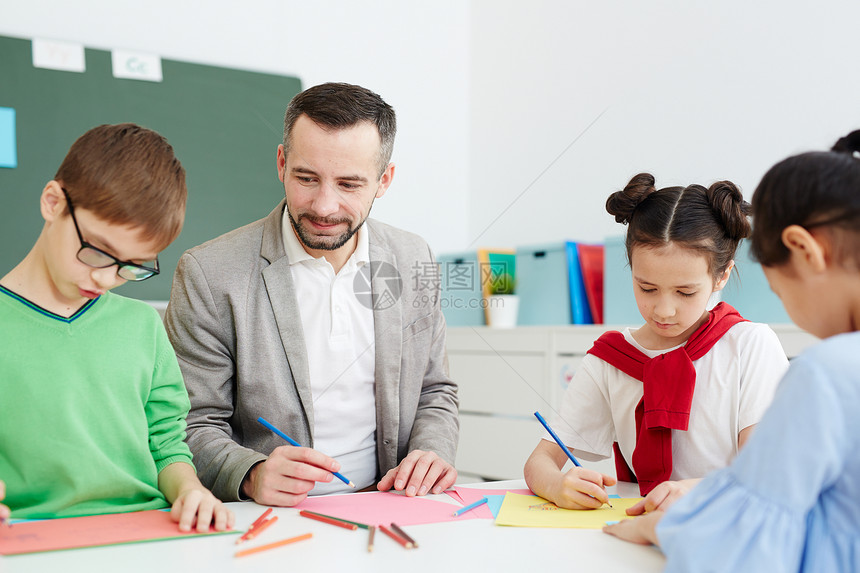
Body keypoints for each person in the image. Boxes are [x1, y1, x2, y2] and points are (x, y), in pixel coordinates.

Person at [164, 82, 459, 507]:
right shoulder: (209, 274)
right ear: (281, 163)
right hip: (269, 516)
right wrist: (250, 474)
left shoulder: (414, 257)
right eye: (307, 178)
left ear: (384, 181)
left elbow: (435, 391)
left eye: (349, 184)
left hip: (388, 506)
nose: (324, 206)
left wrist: (431, 452)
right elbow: (190, 423)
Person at [604, 131, 860, 571]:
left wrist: (657, 528)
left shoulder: (830, 370)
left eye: (778, 287)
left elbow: (749, 541)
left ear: (802, 250)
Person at [0, 123, 233, 531]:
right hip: (29, 537)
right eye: (96, 251)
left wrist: (191, 491)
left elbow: (166, 445)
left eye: (132, 266)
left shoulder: (143, 326)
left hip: (148, 532)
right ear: (53, 203)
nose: (107, 279)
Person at [524, 173, 789, 511]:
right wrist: (558, 483)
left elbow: (765, 469)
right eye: (647, 288)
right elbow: (539, 462)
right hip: (640, 526)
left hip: (729, 525)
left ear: (722, 276)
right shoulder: (610, 358)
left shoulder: (751, 345)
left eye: (685, 292)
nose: (664, 310)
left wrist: (697, 490)